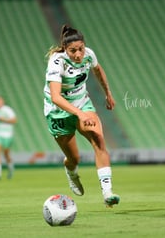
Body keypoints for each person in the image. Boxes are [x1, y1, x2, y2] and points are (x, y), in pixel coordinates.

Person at [43, 25, 120, 207]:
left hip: (82, 103)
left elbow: (98, 69)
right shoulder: (56, 61)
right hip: (58, 112)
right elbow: (56, 97)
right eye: (73, 51)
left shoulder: (88, 55)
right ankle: (71, 172)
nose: (78, 54)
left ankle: (107, 192)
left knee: (99, 141)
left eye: (81, 49)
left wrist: (108, 92)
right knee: (74, 158)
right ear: (64, 48)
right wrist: (78, 114)